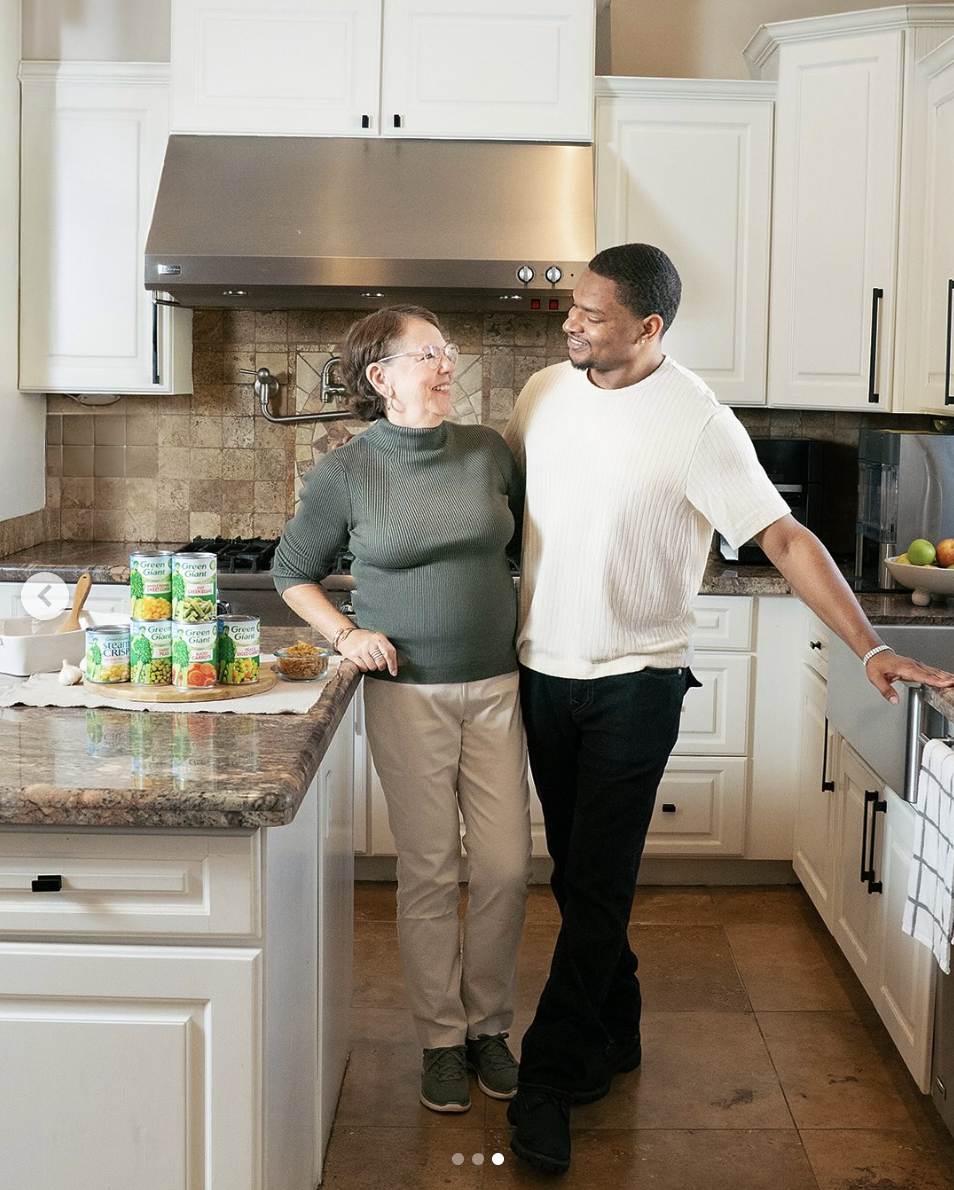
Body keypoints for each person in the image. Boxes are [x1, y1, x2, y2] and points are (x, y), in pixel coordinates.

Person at [502, 243, 954, 1174]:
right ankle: (616, 1026)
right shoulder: (542, 391)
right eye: (572, 310)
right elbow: (508, 506)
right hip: (543, 673)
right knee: (579, 876)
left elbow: (784, 536)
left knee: (595, 882)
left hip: (637, 682)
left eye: (590, 313)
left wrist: (869, 643)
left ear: (648, 326)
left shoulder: (699, 423)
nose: (571, 324)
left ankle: (548, 1077)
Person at [272, 305, 531, 1115]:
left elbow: (521, 544)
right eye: (430, 353)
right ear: (381, 378)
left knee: (504, 868)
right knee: (428, 871)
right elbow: (292, 571)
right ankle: (442, 1042)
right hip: (406, 695)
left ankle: (492, 1025)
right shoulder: (347, 471)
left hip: (497, 686)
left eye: (447, 350)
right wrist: (346, 634)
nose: (447, 362)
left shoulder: (489, 452)